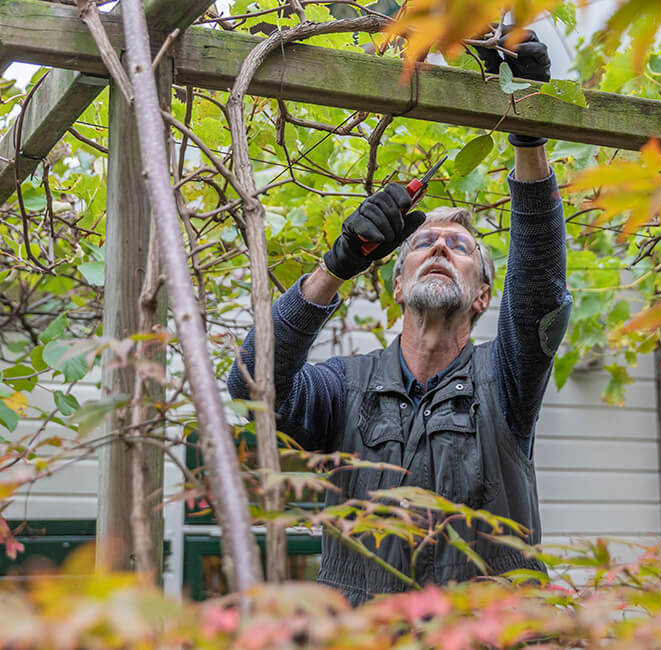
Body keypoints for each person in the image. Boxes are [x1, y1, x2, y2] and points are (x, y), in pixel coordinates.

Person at [228, 29, 571, 605]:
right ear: (396, 286)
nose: (439, 247)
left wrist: (528, 132)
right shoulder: (342, 389)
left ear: (483, 296)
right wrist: (334, 268)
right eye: (424, 242)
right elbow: (251, 386)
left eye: (459, 247)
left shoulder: (506, 383)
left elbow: (539, 286)